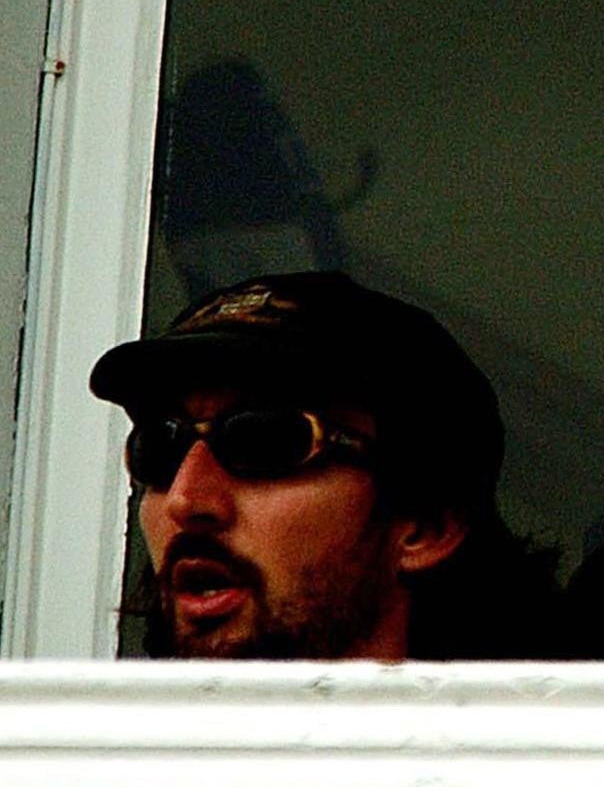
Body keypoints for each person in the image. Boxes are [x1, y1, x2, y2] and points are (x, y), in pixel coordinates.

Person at [91, 271, 563, 660]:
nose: (186, 498)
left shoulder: (532, 772)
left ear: (424, 526)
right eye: (160, 447)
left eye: (263, 439)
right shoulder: (69, 772)